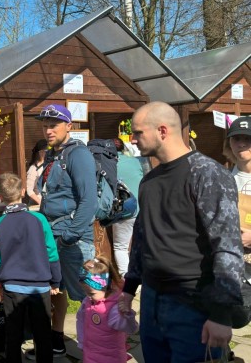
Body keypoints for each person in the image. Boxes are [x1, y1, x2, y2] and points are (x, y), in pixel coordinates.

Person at [119, 101, 244, 362]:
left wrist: (221, 314)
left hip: (193, 305)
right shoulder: (149, 180)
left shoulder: (207, 173)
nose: (132, 138)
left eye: (138, 132)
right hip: (152, 301)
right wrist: (129, 289)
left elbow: (227, 245)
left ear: (162, 131)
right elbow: (142, 238)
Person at [36, 104, 97, 357]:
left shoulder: (78, 155)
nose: (48, 130)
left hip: (74, 239)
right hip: (53, 235)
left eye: (54, 125)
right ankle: (58, 340)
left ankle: (99, 348)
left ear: (69, 126)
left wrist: (71, 236)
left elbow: (89, 200)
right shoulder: (52, 156)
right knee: (56, 290)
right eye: (45, 125)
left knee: (91, 296)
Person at [0, 172, 61, 363]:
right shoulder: (40, 219)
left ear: (0, 196)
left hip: (12, 287)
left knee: (13, 336)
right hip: (40, 286)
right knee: (43, 334)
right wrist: (56, 280)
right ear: (23, 191)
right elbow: (51, 252)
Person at [76, 256, 138, 363]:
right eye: (85, 291)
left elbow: (132, 329)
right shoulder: (87, 301)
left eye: (91, 293)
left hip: (112, 357)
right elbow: (80, 320)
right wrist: (81, 342)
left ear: (105, 287)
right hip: (90, 353)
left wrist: (127, 316)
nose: (87, 296)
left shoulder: (113, 308)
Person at [111, 138, 144, 277]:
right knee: (140, 245)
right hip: (141, 209)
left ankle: (126, 279)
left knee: (120, 247)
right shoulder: (136, 161)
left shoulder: (109, 165)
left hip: (123, 210)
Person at [224, 116, 251, 253]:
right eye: (236, 139)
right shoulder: (222, 179)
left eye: (247, 139)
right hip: (232, 262)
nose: (241, 144)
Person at [26, 139, 48, 206]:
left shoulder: (49, 164)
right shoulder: (34, 169)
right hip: (38, 205)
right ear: (41, 152)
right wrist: (40, 203)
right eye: (47, 151)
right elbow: (29, 190)